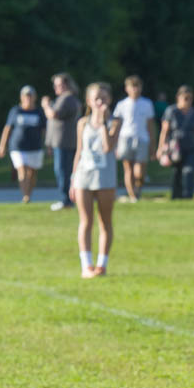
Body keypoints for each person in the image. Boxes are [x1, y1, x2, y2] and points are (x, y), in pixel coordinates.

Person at [71, 82, 120, 278]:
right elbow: (79, 152)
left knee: (105, 221)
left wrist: (102, 124)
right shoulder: (82, 123)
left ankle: (102, 264)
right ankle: (86, 265)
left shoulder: (115, 122)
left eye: (104, 98)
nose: (100, 102)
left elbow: (108, 147)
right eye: (96, 98)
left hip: (105, 177)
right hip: (84, 175)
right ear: (89, 101)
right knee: (85, 221)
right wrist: (73, 179)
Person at [157, 85, 194, 200]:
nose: (188, 101)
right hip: (175, 148)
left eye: (190, 98)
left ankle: (188, 196)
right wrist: (160, 148)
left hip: (191, 147)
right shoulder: (171, 111)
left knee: (189, 171)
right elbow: (164, 131)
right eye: (185, 98)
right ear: (178, 98)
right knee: (177, 173)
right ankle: (176, 196)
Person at [0, 85, 47, 204]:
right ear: (21, 97)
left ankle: (29, 194)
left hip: (35, 146)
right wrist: (2, 145)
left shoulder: (39, 111)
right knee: (22, 171)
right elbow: (8, 128)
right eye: (26, 95)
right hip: (18, 146)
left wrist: (48, 145)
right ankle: (25, 196)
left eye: (30, 95)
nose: (28, 98)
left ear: (34, 97)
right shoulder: (16, 111)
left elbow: (45, 130)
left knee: (32, 173)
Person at [112, 75, 156, 203]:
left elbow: (150, 124)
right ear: (127, 88)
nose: (135, 89)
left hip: (142, 138)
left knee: (140, 170)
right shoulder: (122, 104)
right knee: (128, 168)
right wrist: (114, 143)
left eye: (137, 87)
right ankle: (132, 195)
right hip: (125, 138)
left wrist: (152, 143)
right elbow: (116, 124)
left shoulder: (147, 104)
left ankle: (138, 189)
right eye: (133, 87)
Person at [44, 73, 83, 211]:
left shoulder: (67, 98)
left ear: (66, 85)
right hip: (61, 142)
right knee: (64, 171)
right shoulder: (65, 99)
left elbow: (54, 114)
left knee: (63, 172)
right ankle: (68, 199)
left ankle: (66, 200)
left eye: (59, 84)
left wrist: (46, 105)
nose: (56, 87)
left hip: (64, 142)